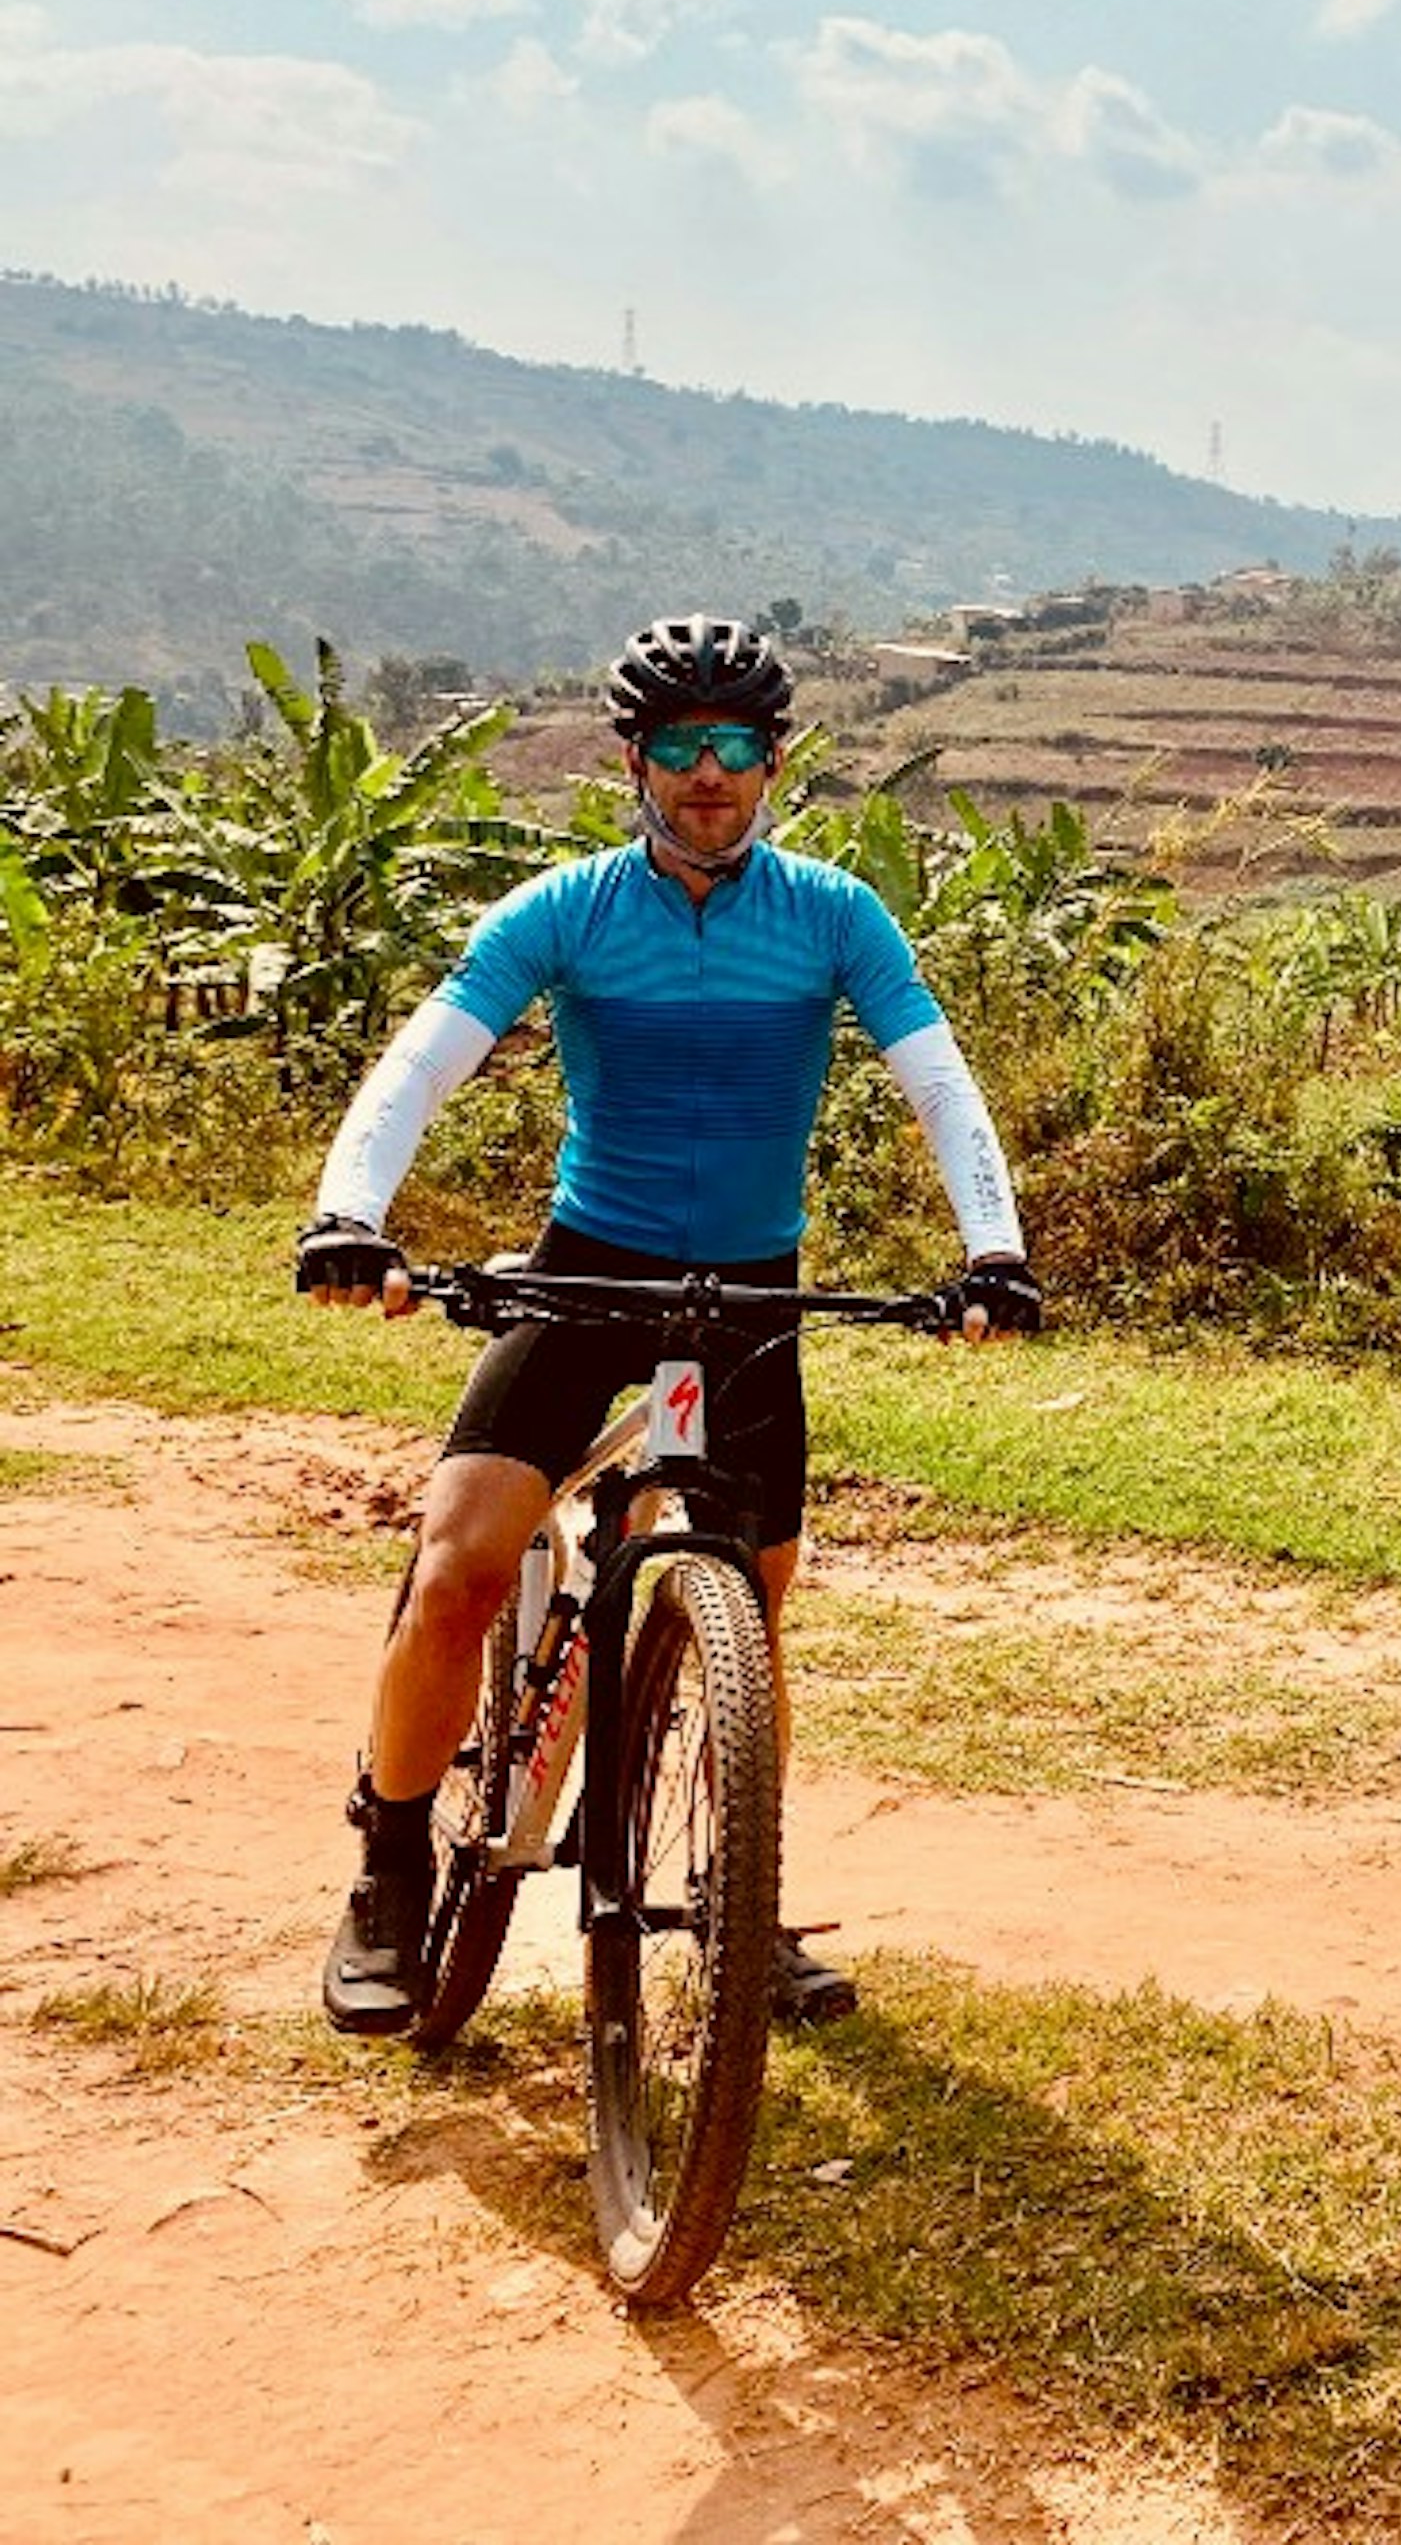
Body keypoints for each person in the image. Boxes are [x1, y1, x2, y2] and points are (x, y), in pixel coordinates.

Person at [294, 612, 1042, 2037]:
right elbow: (417, 1072)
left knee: (747, 1624)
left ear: (774, 764)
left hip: (752, 1295)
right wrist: (349, 1212)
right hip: (588, 1274)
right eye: (684, 747)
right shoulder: (563, 912)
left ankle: (735, 1907)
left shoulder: (833, 916)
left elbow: (940, 1084)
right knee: (460, 1564)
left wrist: (992, 1251)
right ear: (634, 759)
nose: (712, 773)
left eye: (739, 747)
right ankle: (391, 1866)